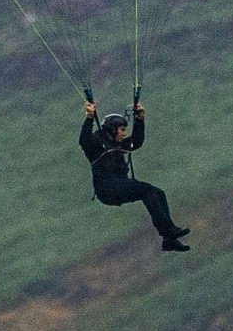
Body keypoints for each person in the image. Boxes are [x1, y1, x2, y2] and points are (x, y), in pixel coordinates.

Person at [79, 99, 191, 251]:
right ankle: (167, 229)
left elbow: (137, 141)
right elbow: (84, 139)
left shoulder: (119, 145)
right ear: (112, 130)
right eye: (122, 130)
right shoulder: (96, 144)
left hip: (120, 184)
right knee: (147, 190)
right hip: (106, 188)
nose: (124, 133)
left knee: (159, 193)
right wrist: (89, 117)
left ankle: (169, 239)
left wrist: (140, 118)